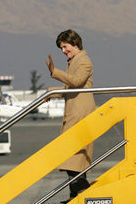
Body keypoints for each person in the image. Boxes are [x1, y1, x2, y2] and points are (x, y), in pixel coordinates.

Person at [45, 29, 95, 202]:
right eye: (61, 48)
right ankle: (75, 195)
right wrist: (52, 92)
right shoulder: (74, 61)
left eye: (65, 47)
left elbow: (76, 82)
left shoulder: (84, 61)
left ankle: (81, 194)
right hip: (74, 114)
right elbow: (71, 89)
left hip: (80, 114)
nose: (63, 51)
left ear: (75, 44)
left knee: (74, 158)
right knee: (72, 159)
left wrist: (55, 72)